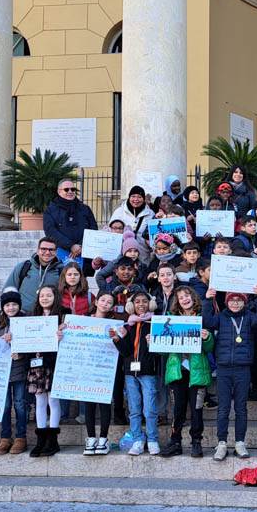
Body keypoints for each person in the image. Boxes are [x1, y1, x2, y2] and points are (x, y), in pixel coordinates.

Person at [206, 291, 257, 461]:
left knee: (241, 408)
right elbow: (207, 320)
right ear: (226, 302)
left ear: (244, 302)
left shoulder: (249, 317)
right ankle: (222, 442)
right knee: (223, 408)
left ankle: (240, 442)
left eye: (239, 300)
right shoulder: (221, 317)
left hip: (242, 368)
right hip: (224, 368)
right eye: (232, 300)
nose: (235, 303)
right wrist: (208, 299)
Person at [160, 287, 215, 458]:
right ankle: (175, 442)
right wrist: (154, 340)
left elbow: (210, 347)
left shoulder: (202, 316)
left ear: (193, 297)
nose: (184, 299)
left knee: (197, 409)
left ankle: (196, 442)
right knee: (178, 409)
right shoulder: (170, 319)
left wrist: (207, 338)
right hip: (177, 371)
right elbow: (163, 350)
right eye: (181, 297)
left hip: (197, 371)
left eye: (187, 295)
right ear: (177, 301)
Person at [118, 292, 161, 456]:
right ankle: (137, 440)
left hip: (148, 372)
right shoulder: (128, 325)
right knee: (134, 409)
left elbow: (159, 353)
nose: (141, 304)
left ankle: (152, 439)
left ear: (150, 304)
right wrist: (117, 340)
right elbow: (126, 351)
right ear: (132, 305)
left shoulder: (155, 323)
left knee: (149, 409)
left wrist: (153, 344)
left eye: (144, 301)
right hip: (130, 372)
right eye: (137, 302)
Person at [25, 286, 65, 458]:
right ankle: (41, 440)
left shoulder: (63, 315)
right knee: (40, 400)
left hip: (55, 362)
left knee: (53, 400)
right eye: (42, 295)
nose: (45, 298)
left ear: (55, 297)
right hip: (36, 364)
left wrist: (63, 335)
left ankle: (53, 440)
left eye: (49, 295)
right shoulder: (31, 317)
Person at [80, 292, 121, 456]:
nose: (105, 303)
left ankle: (103, 439)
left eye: (109, 302)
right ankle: (90, 439)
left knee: (104, 403)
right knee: (88, 404)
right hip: (87, 367)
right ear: (96, 301)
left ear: (113, 306)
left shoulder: (116, 324)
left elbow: (123, 347)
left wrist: (117, 338)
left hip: (106, 369)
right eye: (103, 300)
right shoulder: (83, 321)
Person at [0, 289, 30, 455]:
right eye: (7, 305)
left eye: (14, 304)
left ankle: (21, 437)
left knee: (20, 404)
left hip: (20, 369)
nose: (11, 307)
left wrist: (21, 350)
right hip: (1, 371)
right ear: (3, 307)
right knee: (5, 406)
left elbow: (32, 342)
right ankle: (5, 437)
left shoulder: (26, 321)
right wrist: (2, 340)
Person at [43, 177, 98, 273]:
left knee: (81, 282)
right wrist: (71, 246)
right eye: (66, 189)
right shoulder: (50, 210)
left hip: (83, 252)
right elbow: (50, 231)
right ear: (59, 191)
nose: (70, 191)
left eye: (73, 189)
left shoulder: (85, 209)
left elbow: (93, 229)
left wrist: (80, 246)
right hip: (60, 253)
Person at [4, 238, 63, 313]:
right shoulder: (24, 267)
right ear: (38, 251)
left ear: (56, 252)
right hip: (24, 315)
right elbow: (9, 289)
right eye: (43, 249)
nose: (47, 252)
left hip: (49, 317)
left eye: (51, 249)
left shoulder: (61, 270)